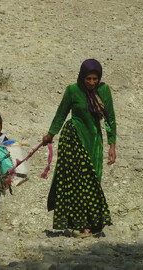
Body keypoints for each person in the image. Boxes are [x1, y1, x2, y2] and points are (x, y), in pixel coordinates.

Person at [42, 59, 116, 236]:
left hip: (94, 141)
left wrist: (112, 145)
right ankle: (79, 225)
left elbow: (110, 119)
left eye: (95, 79)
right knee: (76, 183)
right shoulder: (72, 91)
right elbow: (61, 114)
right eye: (88, 79)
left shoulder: (103, 91)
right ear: (82, 77)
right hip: (74, 138)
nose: (92, 82)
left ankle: (92, 223)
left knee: (93, 180)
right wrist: (50, 135)